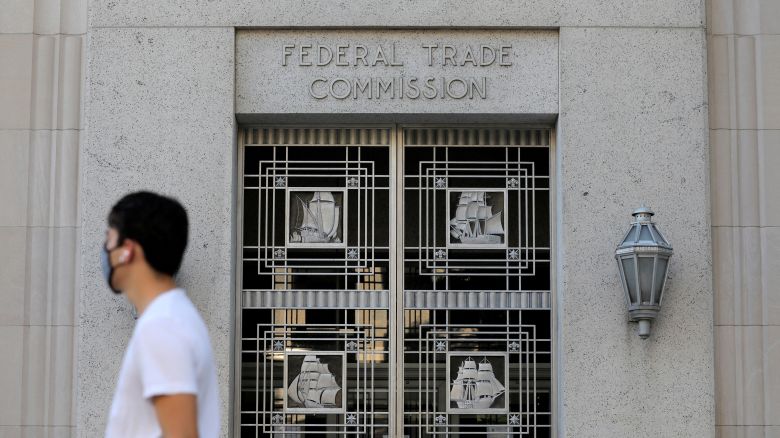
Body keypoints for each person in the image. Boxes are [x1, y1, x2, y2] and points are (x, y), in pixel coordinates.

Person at [102, 191, 219, 437]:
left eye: (109, 238)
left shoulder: (163, 325)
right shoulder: (171, 317)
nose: (105, 250)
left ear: (128, 250)